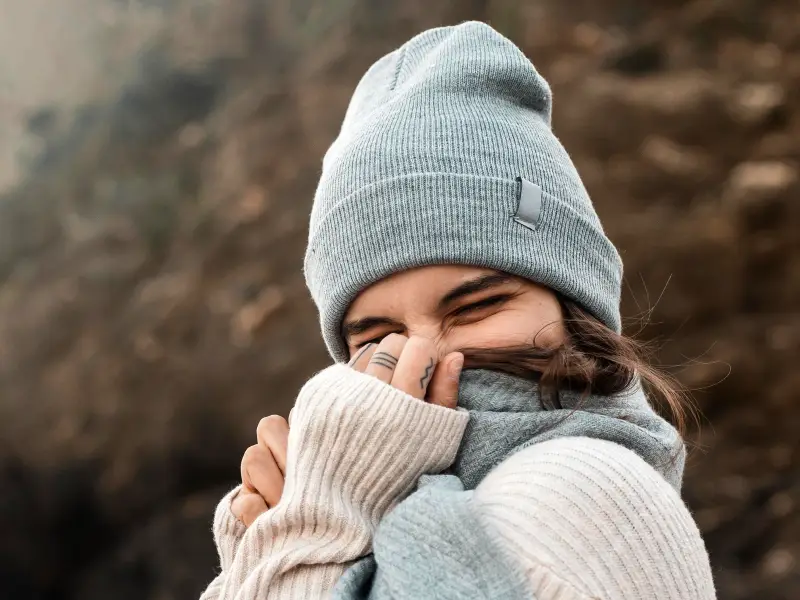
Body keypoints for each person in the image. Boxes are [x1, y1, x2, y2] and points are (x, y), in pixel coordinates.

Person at [200, 21, 716, 600]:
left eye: (476, 306)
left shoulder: (584, 493)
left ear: (575, 305)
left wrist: (310, 534)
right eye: (379, 337)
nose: (425, 354)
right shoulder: (393, 504)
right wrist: (263, 550)